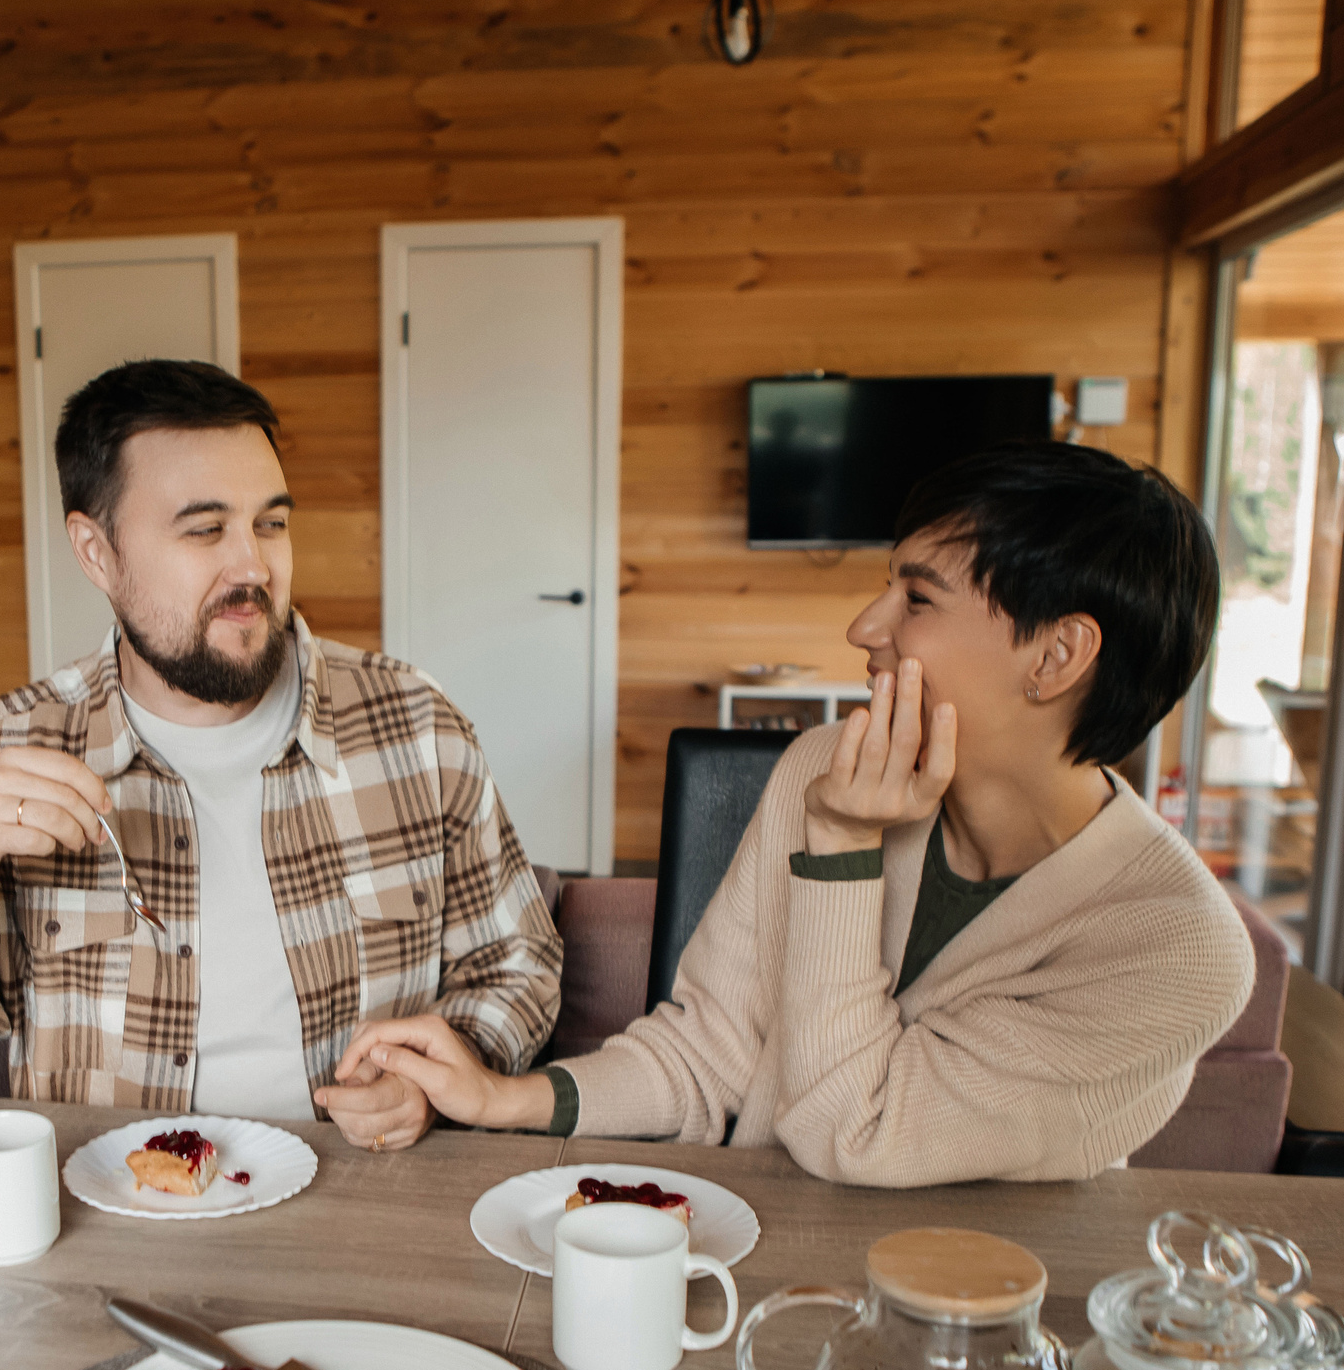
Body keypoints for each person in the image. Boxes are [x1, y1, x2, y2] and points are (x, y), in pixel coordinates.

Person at [335, 441, 1257, 1185]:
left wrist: (846, 849)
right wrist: (501, 1096)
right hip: (751, 1266)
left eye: (917, 598)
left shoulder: (1173, 948)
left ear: (1056, 657)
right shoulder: (823, 767)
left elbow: (853, 1132)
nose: (866, 626)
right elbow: (707, 1050)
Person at [0, 359, 560, 1148]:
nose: (253, 566)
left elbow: (516, 963)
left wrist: (431, 1083)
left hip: (358, 1217)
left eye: (271, 523)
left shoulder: (418, 728)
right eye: (205, 530)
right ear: (97, 551)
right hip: (106, 1229)